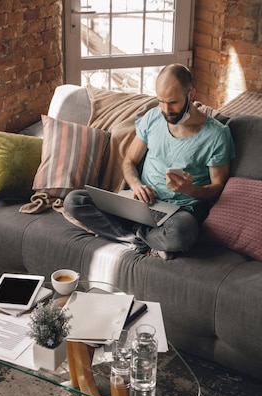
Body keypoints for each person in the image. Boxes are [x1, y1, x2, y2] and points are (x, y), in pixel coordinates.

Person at [64, 64, 235, 260]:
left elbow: (218, 186)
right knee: (75, 201)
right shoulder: (153, 117)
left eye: (172, 102)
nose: (166, 110)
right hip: (140, 203)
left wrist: (190, 189)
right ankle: (141, 240)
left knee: (182, 233)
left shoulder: (217, 135)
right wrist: (136, 185)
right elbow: (129, 161)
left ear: (191, 94)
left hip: (178, 214)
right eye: (161, 101)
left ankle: (130, 235)